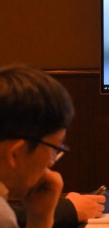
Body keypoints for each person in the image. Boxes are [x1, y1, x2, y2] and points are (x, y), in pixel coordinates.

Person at [0, 64, 75, 228]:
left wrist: (39, 217)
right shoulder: (2, 218)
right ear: (15, 154)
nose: (51, 162)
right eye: (54, 149)